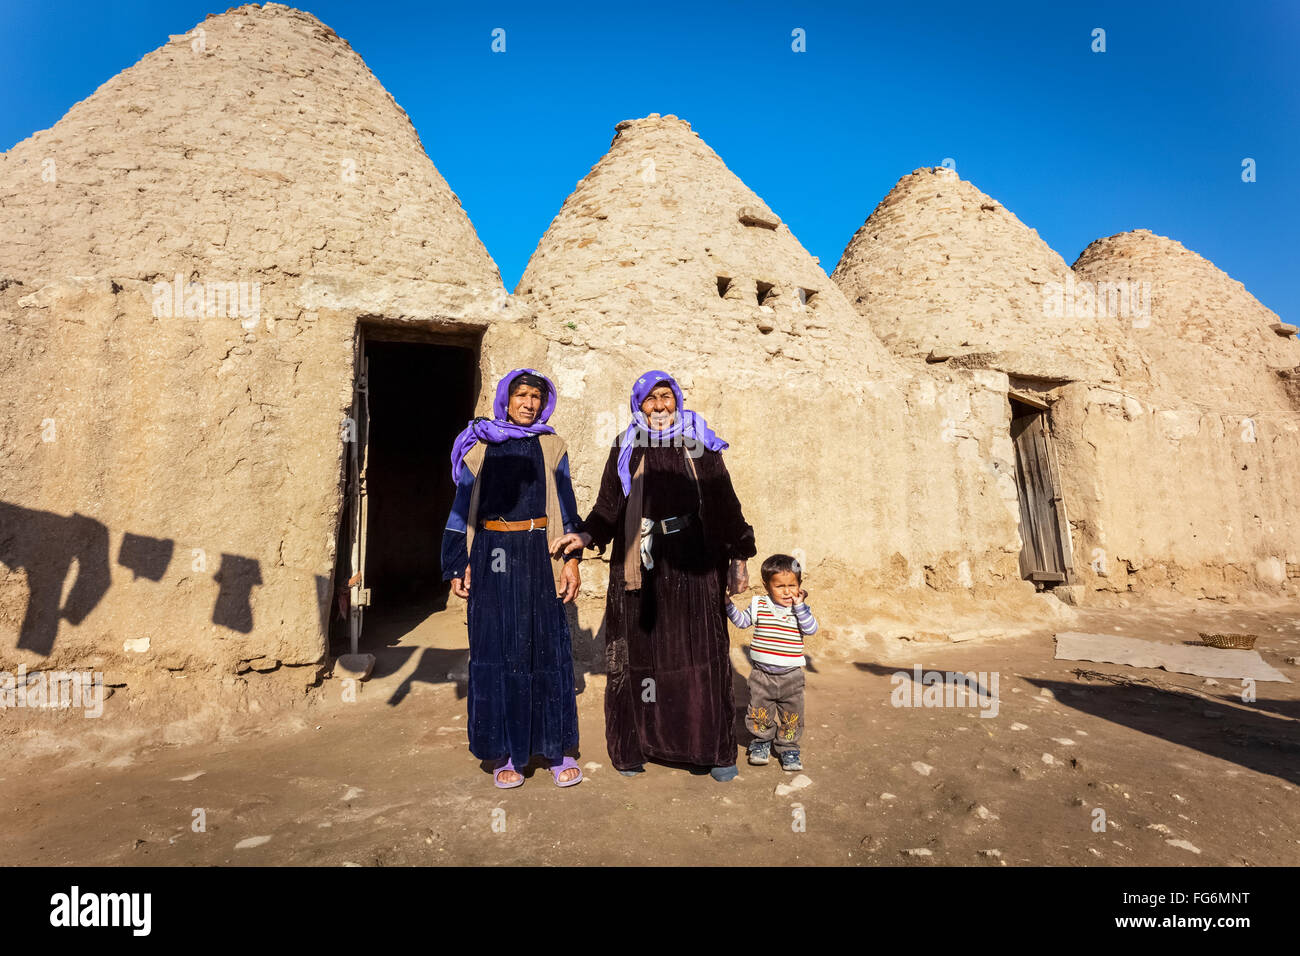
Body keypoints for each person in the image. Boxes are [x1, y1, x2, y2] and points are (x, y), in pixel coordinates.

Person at [551, 371, 755, 782]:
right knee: (640, 654)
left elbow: (723, 500)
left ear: (677, 400)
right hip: (638, 562)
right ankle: (637, 746)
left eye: (667, 397)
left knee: (700, 653)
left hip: (695, 561)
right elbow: (609, 505)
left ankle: (709, 748)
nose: (660, 407)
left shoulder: (699, 441)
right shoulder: (626, 446)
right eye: (651, 399)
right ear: (639, 404)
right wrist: (586, 535)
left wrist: (740, 554)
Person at [442, 369, 585, 789]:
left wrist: (571, 562)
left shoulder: (552, 445)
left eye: (536, 397)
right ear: (506, 399)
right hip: (492, 553)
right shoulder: (480, 445)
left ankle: (554, 749)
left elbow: (568, 506)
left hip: (540, 552)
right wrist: (456, 563)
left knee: (547, 650)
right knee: (497, 650)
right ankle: (504, 751)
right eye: (521, 395)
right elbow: (459, 507)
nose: (528, 403)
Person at [726, 553, 818, 772]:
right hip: (761, 675)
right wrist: (727, 603)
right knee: (760, 711)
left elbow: (811, 629)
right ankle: (761, 742)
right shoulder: (759, 604)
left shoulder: (801, 610)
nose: (787, 591)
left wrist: (800, 606)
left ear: (799, 586)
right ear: (767, 587)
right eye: (780, 586)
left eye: (792, 585)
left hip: (792, 676)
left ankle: (788, 747)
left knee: (791, 714)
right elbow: (741, 622)